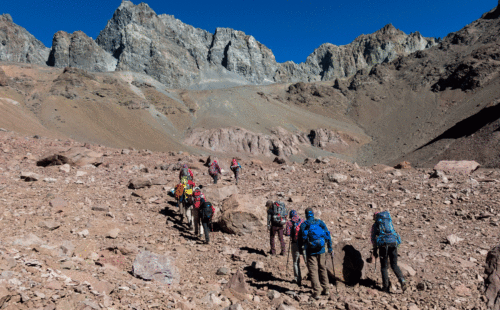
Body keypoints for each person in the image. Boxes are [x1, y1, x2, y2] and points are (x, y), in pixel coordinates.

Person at [298, 207, 333, 300]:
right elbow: (328, 235)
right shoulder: (320, 222)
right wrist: (330, 248)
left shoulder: (304, 225)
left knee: (313, 270)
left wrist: (300, 250)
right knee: (322, 268)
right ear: (313, 214)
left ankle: (317, 292)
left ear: (306, 215)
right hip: (321, 250)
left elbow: (300, 239)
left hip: (310, 251)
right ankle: (326, 289)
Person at [370, 211, 407, 293]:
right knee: (394, 265)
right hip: (393, 244)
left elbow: (373, 239)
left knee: (384, 267)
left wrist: (375, 250)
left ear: (375, 217)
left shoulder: (375, 225)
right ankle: (402, 280)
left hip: (383, 246)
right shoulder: (388, 222)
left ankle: (386, 287)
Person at [284, 210, 306, 286]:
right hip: (303, 243)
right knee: (307, 261)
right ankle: (313, 278)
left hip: (295, 243)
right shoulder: (302, 221)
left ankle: (297, 279)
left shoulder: (289, 223)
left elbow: (287, 234)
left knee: (296, 262)